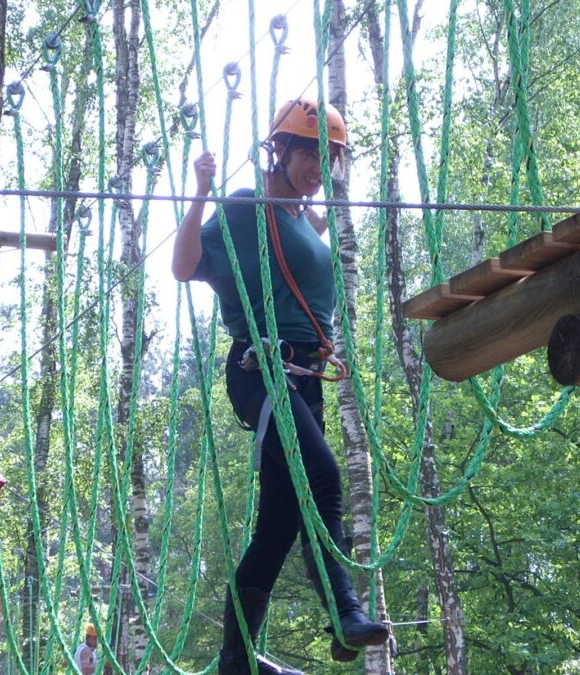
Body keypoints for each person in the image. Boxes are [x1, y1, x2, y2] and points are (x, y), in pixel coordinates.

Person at [172, 99, 389, 675]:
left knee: (278, 526)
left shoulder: (295, 216)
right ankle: (344, 610)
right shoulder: (249, 208)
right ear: (281, 150)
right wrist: (201, 190)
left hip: (305, 380)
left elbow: (307, 262)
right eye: (309, 153)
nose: (318, 166)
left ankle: (235, 660)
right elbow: (185, 265)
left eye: (328, 157)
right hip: (262, 371)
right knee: (325, 476)